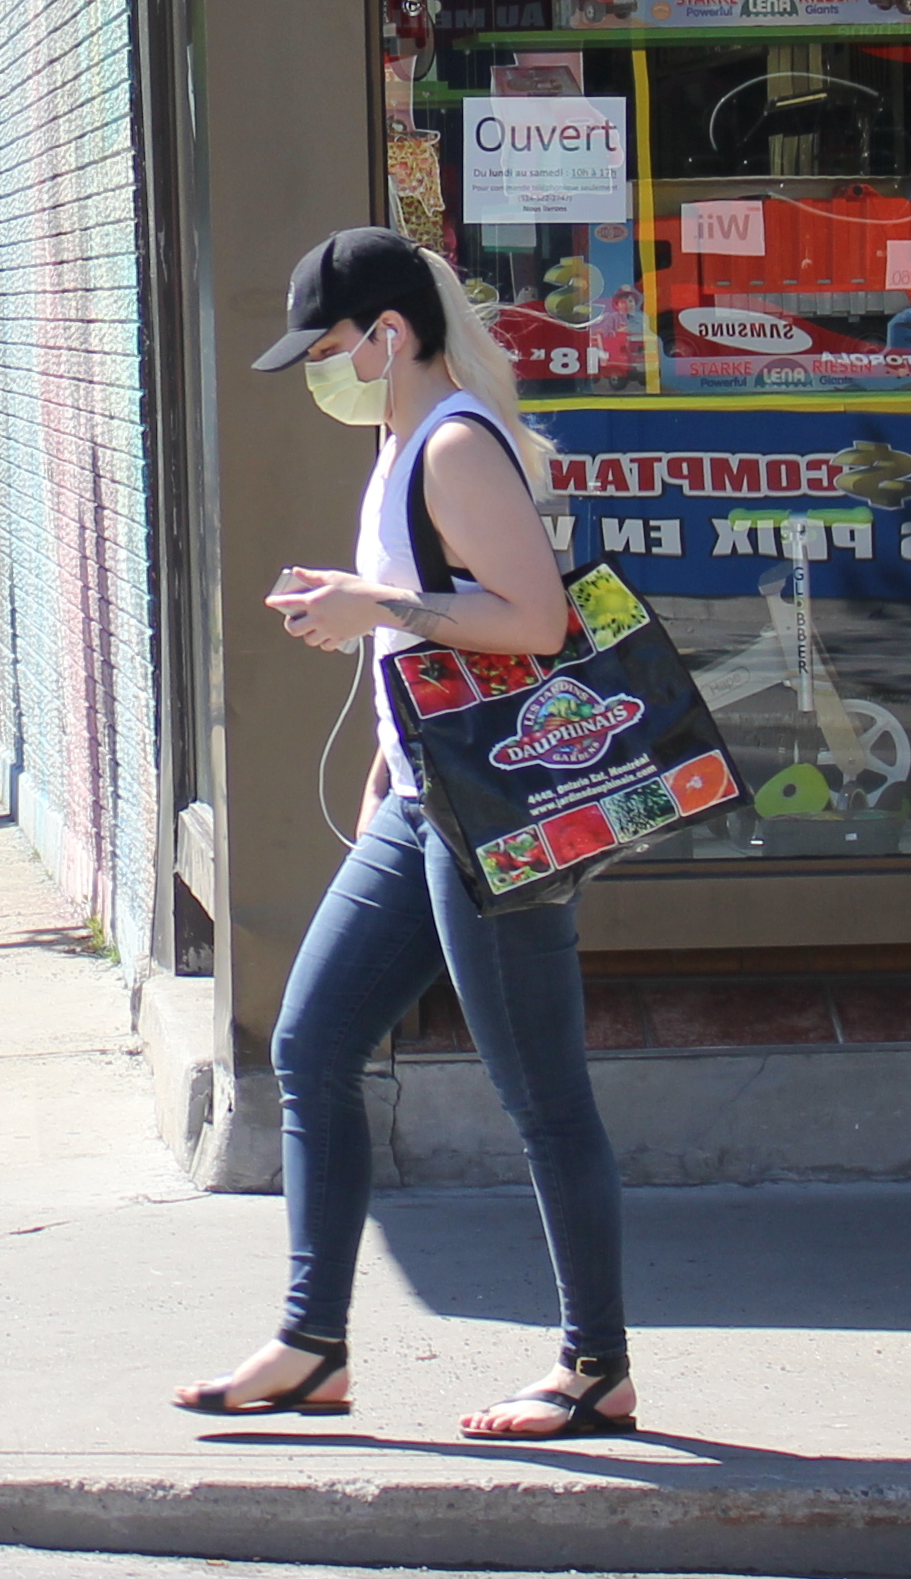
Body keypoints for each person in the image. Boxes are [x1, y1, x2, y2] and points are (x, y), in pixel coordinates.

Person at [177, 224, 640, 1443]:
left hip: (491, 819)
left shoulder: (455, 448)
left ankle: (596, 1367)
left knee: (542, 1096)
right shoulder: (396, 449)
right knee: (313, 1042)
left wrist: (369, 603)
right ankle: (310, 1345)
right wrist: (385, 725)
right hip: (420, 800)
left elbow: (532, 620)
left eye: (330, 347)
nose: (321, 372)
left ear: (391, 334)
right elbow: (433, 633)